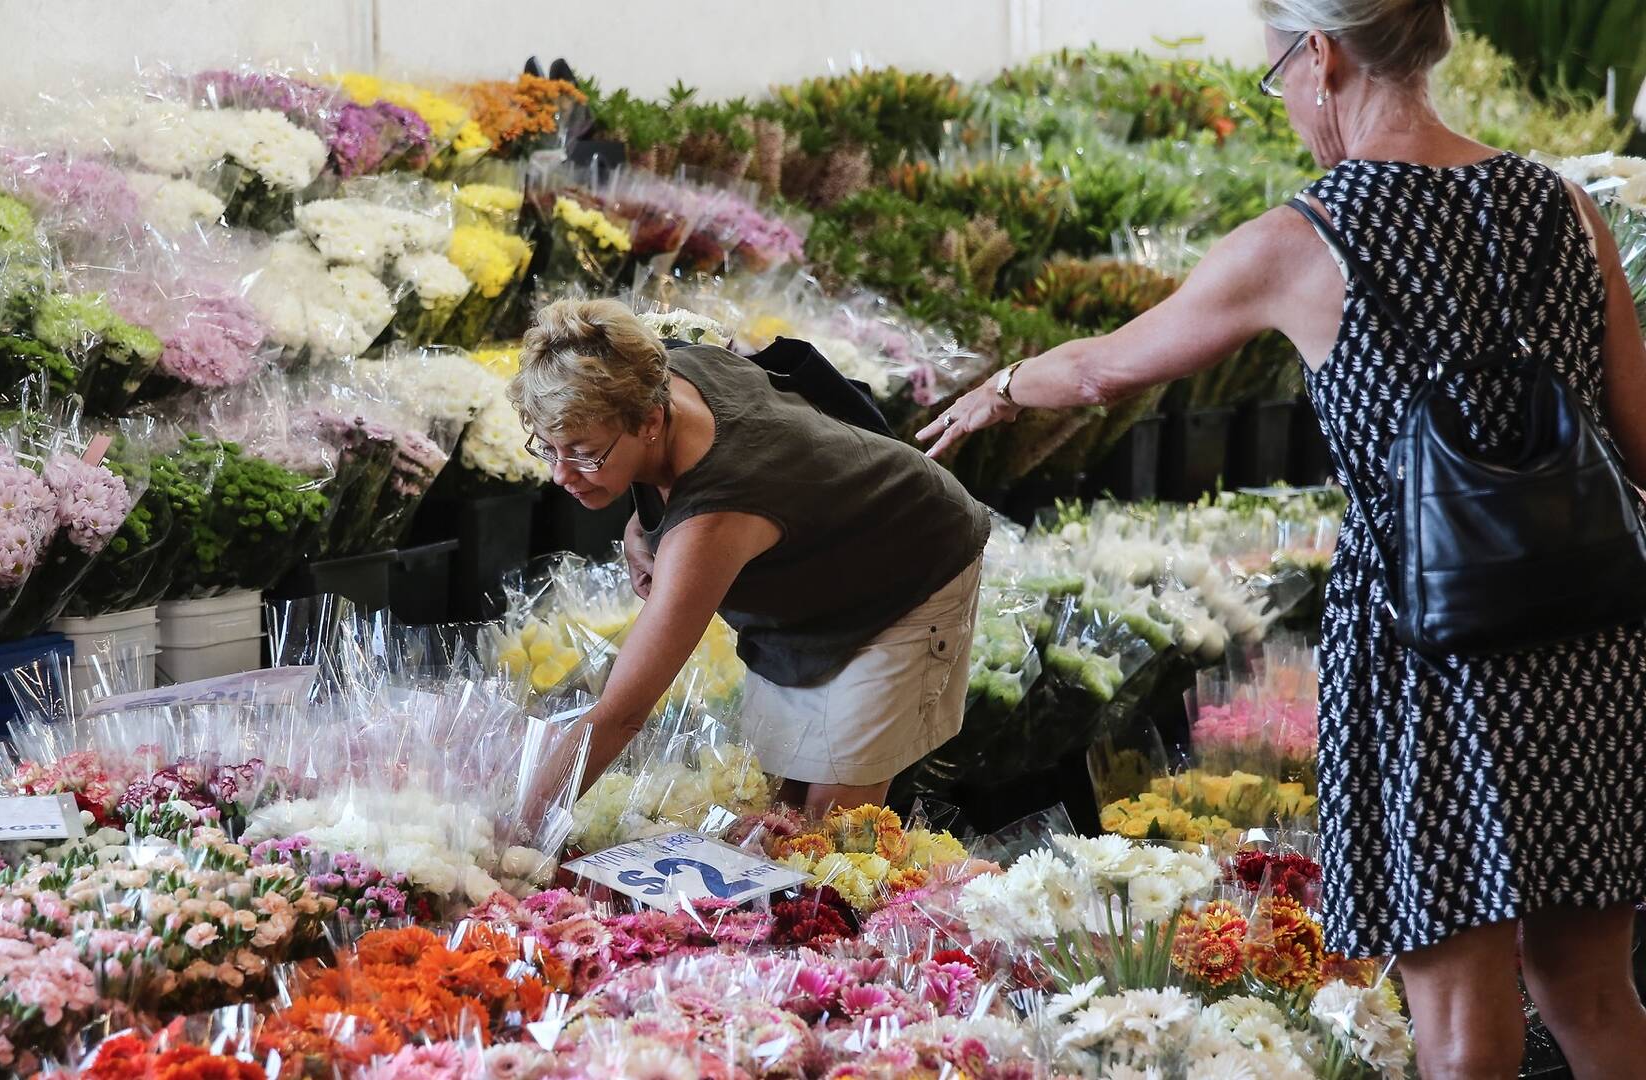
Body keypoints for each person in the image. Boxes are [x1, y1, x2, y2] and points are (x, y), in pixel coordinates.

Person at [919, 2, 1646, 1076]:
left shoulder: (1306, 239)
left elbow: (1108, 368)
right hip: (1591, 642)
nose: (1292, 108)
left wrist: (1004, 387)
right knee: (1591, 990)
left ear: (1322, 54)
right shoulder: (1564, 208)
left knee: (1459, 1021)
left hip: (1425, 652)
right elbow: (1640, 437)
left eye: (1279, 80)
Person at [508, 298, 989, 817]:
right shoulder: (653, 369)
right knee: (778, 806)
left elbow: (622, 714)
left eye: (584, 453)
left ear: (650, 421)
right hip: (816, 572)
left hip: (908, 567)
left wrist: (517, 824)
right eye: (548, 448)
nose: (561, 475)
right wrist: (640, 523)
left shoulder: (714, 517)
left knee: (829, 824)